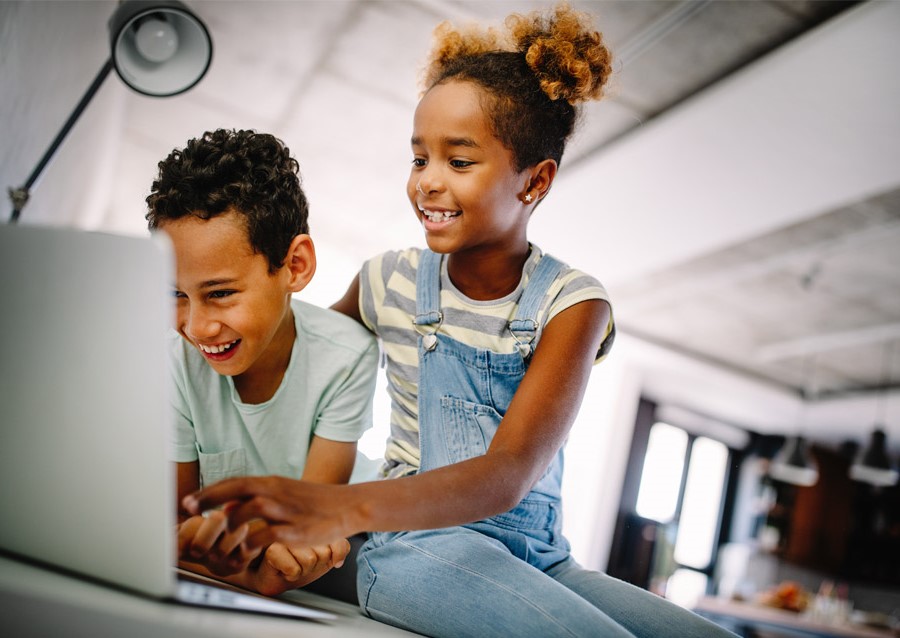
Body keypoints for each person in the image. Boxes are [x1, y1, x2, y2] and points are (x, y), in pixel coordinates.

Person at [182, 6, 737, 636]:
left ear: (535, 181)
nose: (428, 183)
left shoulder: (573, 304)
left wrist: (333, 505)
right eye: (420, 159)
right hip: (413, 546)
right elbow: (303, 356)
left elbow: (506, 477)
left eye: (459, 161)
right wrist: (226, 305)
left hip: (542, 559)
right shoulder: (385, 281)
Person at [145, 128, 379, 597]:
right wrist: (248, 574)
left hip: (352, 535)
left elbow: (304, 529)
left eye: (221, 293)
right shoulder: (171, 365)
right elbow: (171, 527)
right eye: (175, 294)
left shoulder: (348, 355)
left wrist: (259, 566)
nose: (196, 327)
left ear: (294, 266)